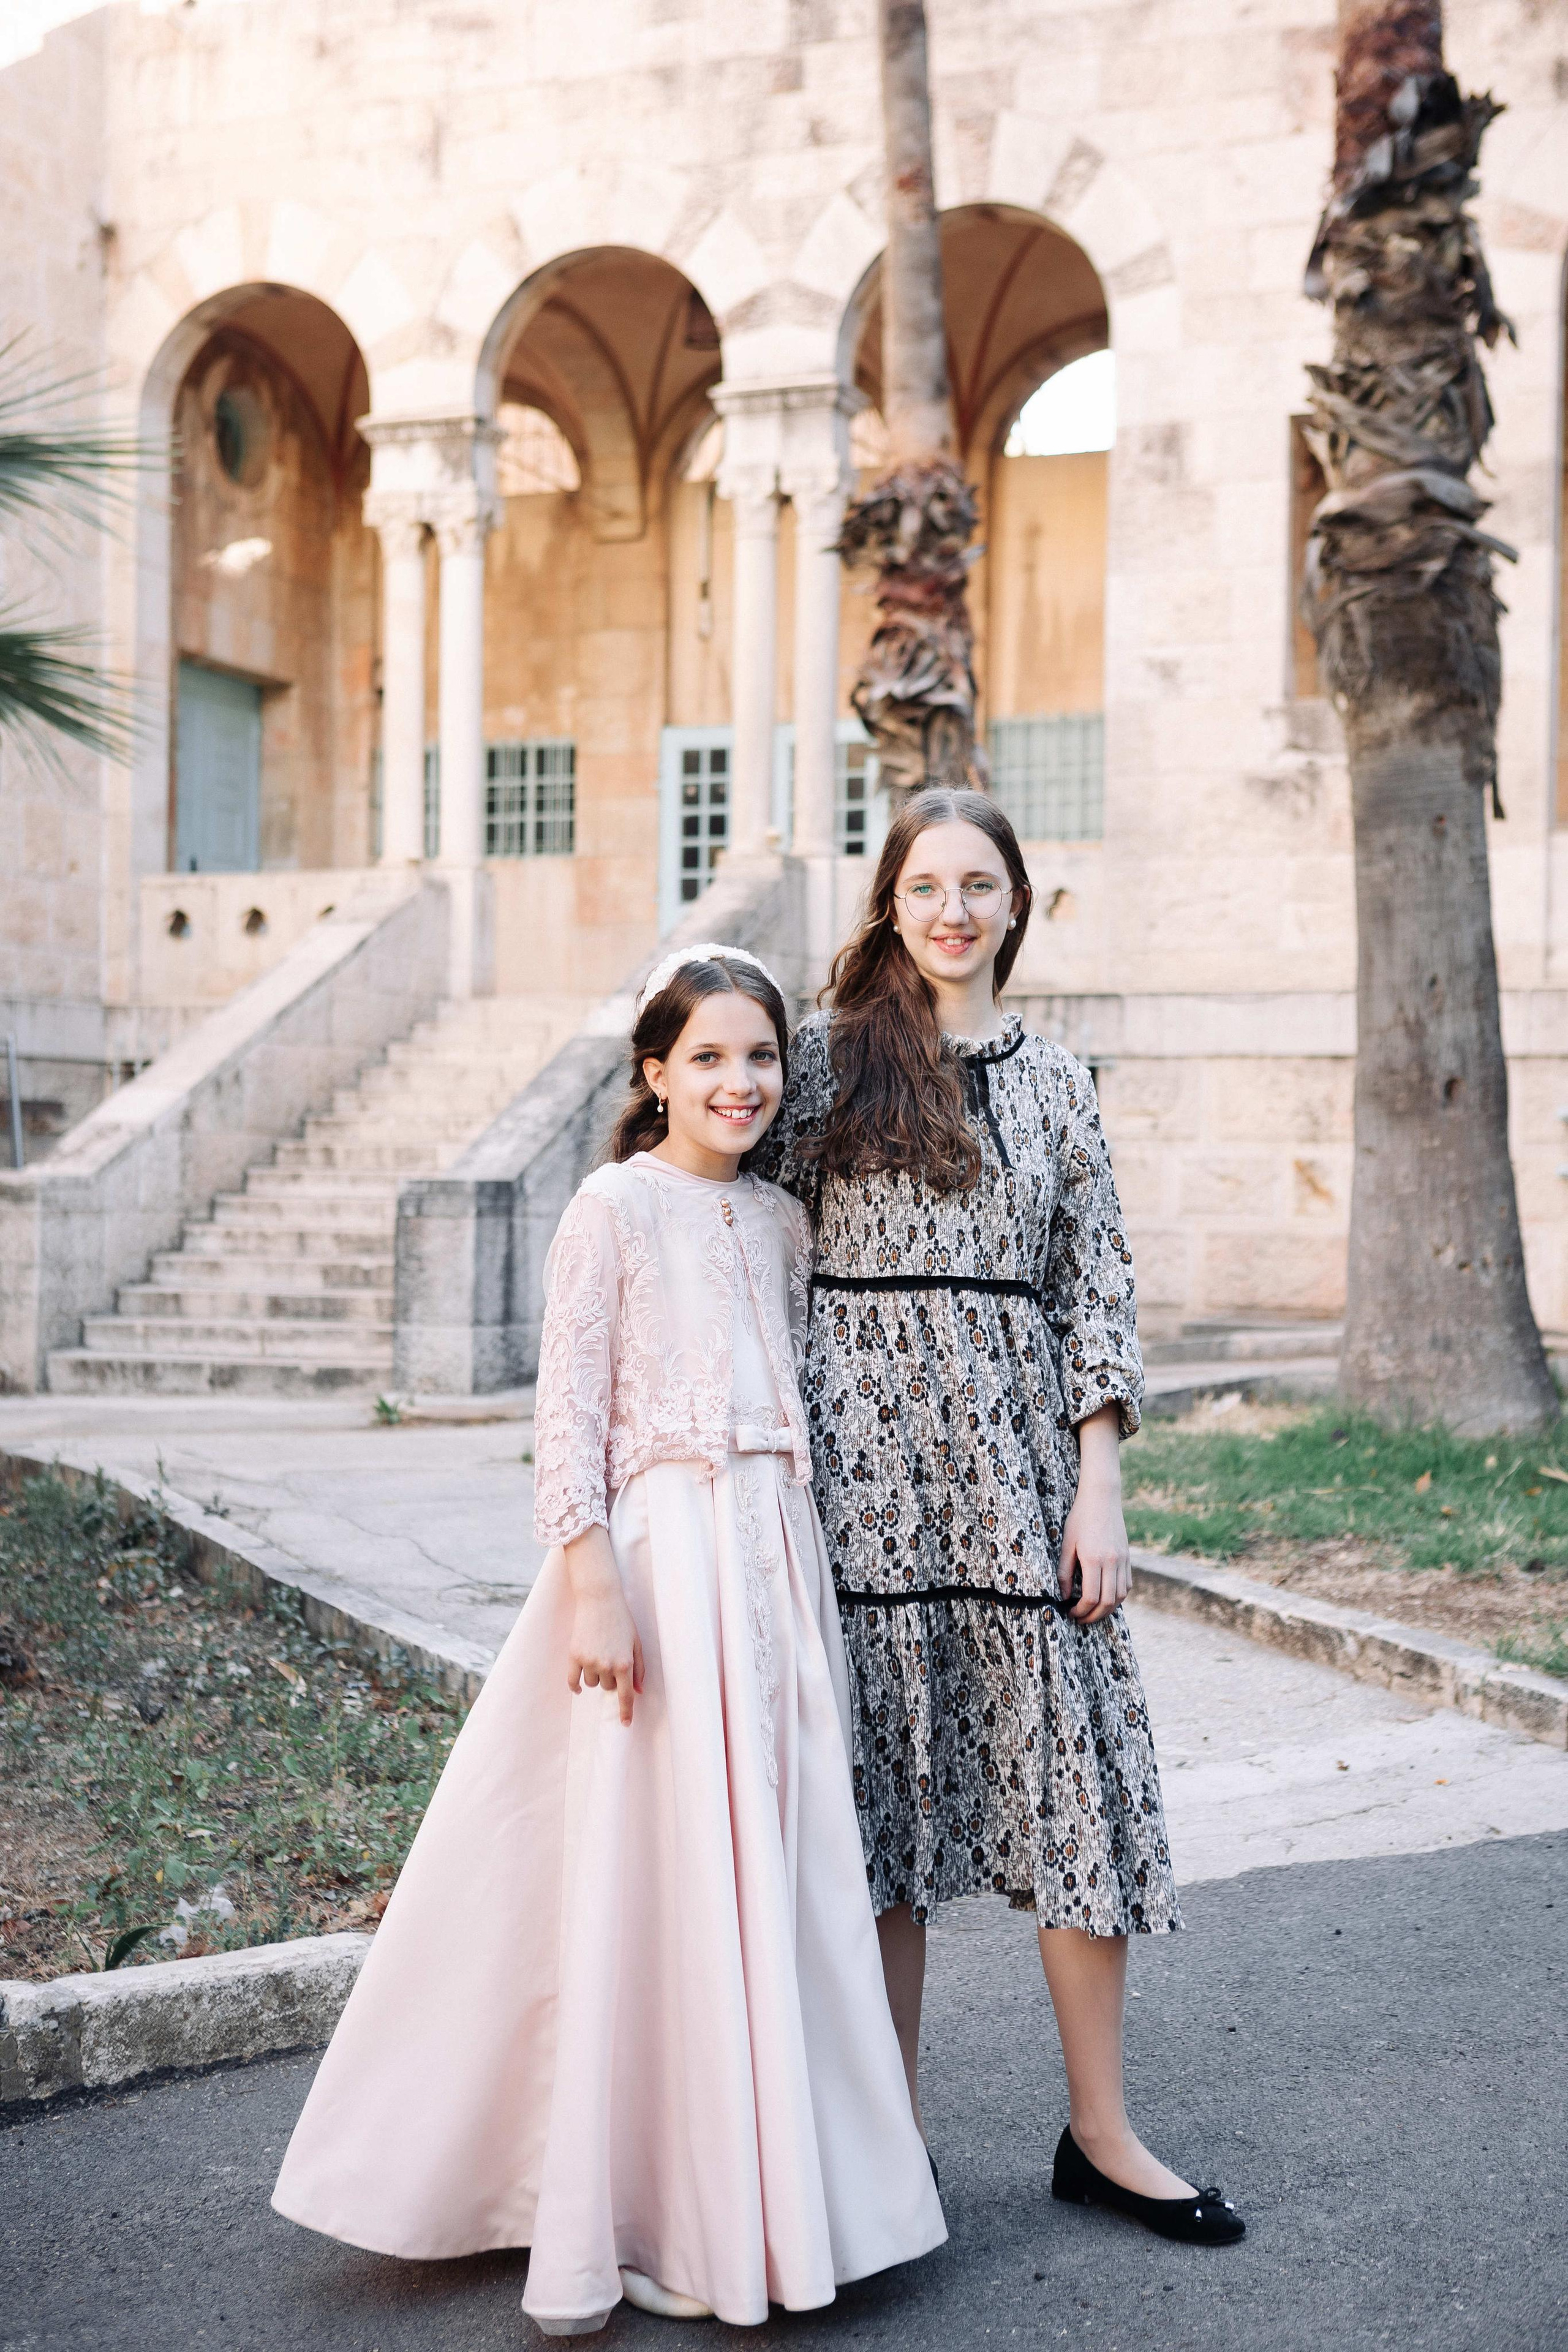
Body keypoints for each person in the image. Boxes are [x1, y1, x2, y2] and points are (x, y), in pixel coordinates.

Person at [271, 943, 946, 2334]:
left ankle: (776, 2187)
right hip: (658, 1562)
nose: (738, 1081)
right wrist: (590, 1579)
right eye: (705, 1057)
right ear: (653, 1073)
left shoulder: (778, 1223)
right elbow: (566, 1410)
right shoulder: (609, 1209)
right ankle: (636, 2188)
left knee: (774, 1858)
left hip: (772, 1559)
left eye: (758, 1056)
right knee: (655, 1869)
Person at [751, 789, 1243, 2247]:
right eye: (926, 883)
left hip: (1024, 1477)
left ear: (1017, 904)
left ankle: (1100, 2134)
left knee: (1074, 1791)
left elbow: (1095, 1287)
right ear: (888, 902)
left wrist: (1101, 1480)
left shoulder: (1058, 1084)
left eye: (980, 884)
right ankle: (885, 2148)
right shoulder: (830, 1070)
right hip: (858, 1482)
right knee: (880, 1816)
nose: (952, 908)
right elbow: (726, 1222)